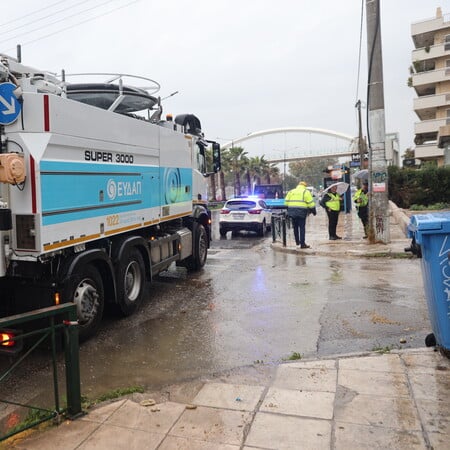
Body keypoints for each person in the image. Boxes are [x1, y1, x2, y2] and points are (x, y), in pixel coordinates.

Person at [284, 181, 317, 249]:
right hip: (301, 212)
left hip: (292, 212)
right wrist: (314, 211)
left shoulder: (291, 191)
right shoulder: (306, 192)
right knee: (302, 227)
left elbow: (286, 203)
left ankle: (297, 242)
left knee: (295, 227)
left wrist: (289, 210)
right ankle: (302, 244)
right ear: (305, 186)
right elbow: (311, 203)